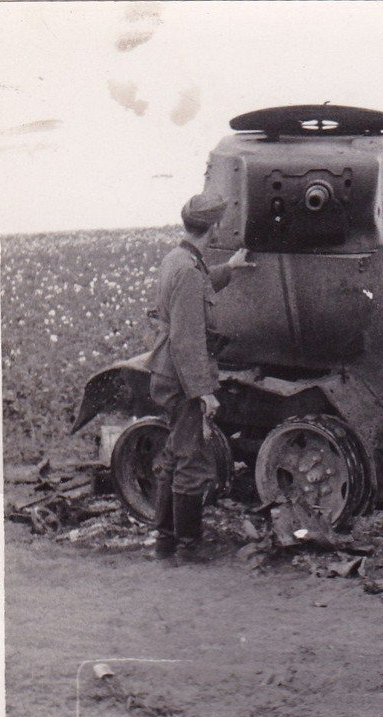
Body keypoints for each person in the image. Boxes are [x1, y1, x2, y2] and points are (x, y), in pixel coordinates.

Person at [148, 192, 248, 564]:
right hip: (182, 377)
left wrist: (231, 269)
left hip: (167, 373)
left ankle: (165, 542)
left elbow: (196, 293)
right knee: (191, 461)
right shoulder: (189, 270)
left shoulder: (179, 259)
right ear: (216, 226)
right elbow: (187, 338)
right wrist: (203, 392)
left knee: (175, 455)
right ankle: (187, 549)